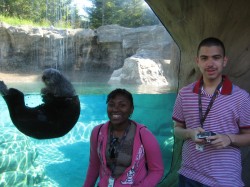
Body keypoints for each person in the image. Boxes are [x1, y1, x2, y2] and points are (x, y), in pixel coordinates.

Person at [172, 37, 250, 187]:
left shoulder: (242, 97)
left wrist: (229, 138)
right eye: (204, 58)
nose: (210, 63)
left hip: (224, 179)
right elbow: (177, 129)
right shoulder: (184, 93)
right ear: (197, 61)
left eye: (216, 57)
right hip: (189, 175)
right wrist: (189, 133)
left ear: (224, 61)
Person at [83, 88, 164, 187]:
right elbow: (94, 166)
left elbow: (157, 170)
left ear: (131, 109)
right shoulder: (97, 132)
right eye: (111, 104)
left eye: (122, 105)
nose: (115, 109)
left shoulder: (144, 135)